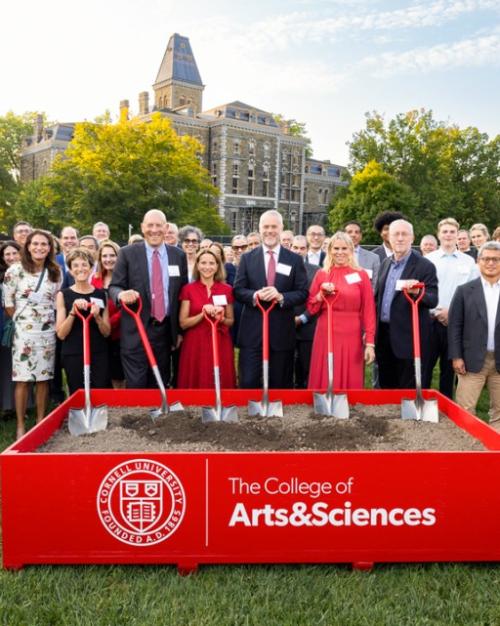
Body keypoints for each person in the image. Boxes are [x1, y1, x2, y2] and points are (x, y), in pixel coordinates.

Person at [110, 209, 188, 389]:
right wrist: (121, 295)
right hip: (136, 331)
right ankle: (136, 417)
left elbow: (181, 295)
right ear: (142, 228)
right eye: (150, 225)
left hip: (165, 333)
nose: (154, 230)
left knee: (159, 383)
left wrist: (179, 332)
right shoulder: (127, 253)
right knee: (137, 385)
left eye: (158, 225)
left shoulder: (178, 255)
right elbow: (114, 286)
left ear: (166, 227)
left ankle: (157, 417)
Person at [234, 210, 308, 389]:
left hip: (281, 331)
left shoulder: (295, 260)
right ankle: (249, 415)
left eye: (274, 227)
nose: (270, 231)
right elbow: (237, 290)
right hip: (252, 332)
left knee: (279, 383)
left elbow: (303, 292)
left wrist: (281, 296)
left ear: (281, 228)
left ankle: (277, 416)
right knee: (249, 381)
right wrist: (255, 295)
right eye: (266, 227)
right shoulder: (247, 258)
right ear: (259, 229)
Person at [3, 230, 61, 438]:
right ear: (27, 246)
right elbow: (8, 304)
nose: (39, 247)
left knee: (44, 379)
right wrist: (23, 321)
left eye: (44, 244)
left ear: (50, 247)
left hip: (47, 333)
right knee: (23, 380)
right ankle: (20, 425)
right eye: (35, 243)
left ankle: (40, 422)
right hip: (24, 334)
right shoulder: (15, 271)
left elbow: (57, 301)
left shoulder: (55, 271)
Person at [307, 232, 376, 389]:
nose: (340, 252)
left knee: (350, 369)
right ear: (330, 250)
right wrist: (320, 295)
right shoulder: (322, 274)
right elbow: (311, 307)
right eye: (336, 248)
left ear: (351, 250)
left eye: (344, 248)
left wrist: (370, 342)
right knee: (325, 370)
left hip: (352, 331)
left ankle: (349, 405)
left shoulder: (361, 275)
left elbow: (369, 309)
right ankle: (322, 404)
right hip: (326, 330)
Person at [375, 219, 438, 389]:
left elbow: (433, 298)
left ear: (412, 238)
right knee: (387, 386)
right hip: (384, 337)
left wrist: (418, 292)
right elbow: (378, 299)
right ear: (389, 237)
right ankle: (388, 415)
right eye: (396, 234)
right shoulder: (385, 264)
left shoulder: (425, 266)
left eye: (405, 234)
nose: (400, 238)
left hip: (409, 339)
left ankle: (408, 416)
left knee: (408, 388)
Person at [448, 241, 500, 428]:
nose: (491, 263)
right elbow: (454, 326)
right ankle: (468, 451)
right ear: (478, 261)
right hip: (470, 360)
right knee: (465, 409)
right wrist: (456, 356)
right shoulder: (464, 291)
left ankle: (496, 452)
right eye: (486, 259)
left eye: (495, 259)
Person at [425, 218, 477, 398]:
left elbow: (472, 293)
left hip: (455, 325)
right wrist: (437, 311)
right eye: (445, 231)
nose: (448, 235)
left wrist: (452, 313)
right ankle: (422, 403)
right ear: (439, 234)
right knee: (426, 366)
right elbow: (423, 290)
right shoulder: (428, 260)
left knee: (449, 370)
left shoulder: (469, 262)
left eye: (452, 232)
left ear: (458, 235)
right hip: (431, 321)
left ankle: (446, 408)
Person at [178, 249, 236, 388]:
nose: (207, 267)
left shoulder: (226, 289)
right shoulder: (188, 289)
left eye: (211, 263)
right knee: (196, 376)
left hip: (220, 341)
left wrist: (220, 318)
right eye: (203, 263)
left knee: (220, 377)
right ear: (197, 265)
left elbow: (231, 321)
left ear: (217, 266)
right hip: (195, 342)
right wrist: (203, 314)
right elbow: (183, 323)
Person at [56, 248, 111, 394]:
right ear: (70, 270)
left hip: (98, 351)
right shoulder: (64, 295)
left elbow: (106, 332)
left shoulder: (101, 294)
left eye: (84, 265)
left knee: (100, 391)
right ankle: (79, 416)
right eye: (76, 265)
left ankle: (99, 417)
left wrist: (98, 317)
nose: (80, 269)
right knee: (78, 392)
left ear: (91, 267)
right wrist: (72, 313)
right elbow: (61, 334)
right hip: (73, 352)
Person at [91, 240, 125, 388]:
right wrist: (101, 324)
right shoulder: (95, 279)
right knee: (104, 374)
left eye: (112, 255)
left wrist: (109, 324)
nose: (108, 259)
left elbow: (126, 308)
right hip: (100, 333)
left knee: (119, 374)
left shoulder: (125, 279)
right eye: (104, 256)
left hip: (119, 334)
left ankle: (122, 407)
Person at [291, 235, 319, 388]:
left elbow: (317, 300)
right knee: (286, 367)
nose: (298, 251)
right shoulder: (281, 268)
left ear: (307, 250)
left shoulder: (316, 272)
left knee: (306, 366)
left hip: (308, 326)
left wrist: (302, 318)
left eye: (302, 248)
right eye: (295, 247)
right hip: (285, 326)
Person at [0, 241, 21, 414]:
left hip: (19, 323)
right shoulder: (2, 275)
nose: (11, 257)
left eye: (14, 253)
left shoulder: (26, 273)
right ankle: (7, 406)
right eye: (7, 254)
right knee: (6, 366)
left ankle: (22, 405)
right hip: (4, 325)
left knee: (18, 366)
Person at [344, 220, 380, 287]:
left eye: (357, 232)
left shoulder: (373, 258)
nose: (353, 235)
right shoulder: (335, 256)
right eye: (349, 232)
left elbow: (375, 285)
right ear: (343, 235)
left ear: (361, 236)